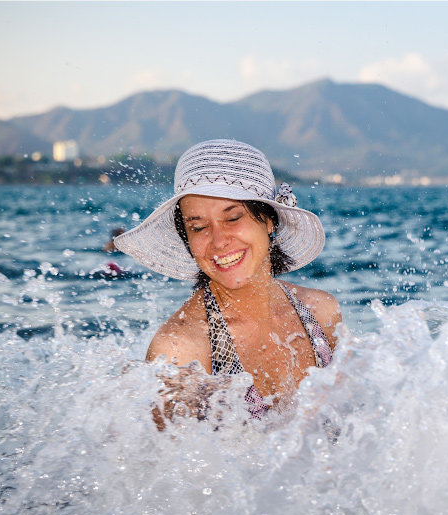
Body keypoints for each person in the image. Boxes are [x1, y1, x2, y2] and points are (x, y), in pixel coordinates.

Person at [114, 139, 341, 425]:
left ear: (269, 220)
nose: (219, 241)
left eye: (233, 218)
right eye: (198, 227)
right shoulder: (181, 350)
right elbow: (170, 467)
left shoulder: (321, 312)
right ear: (187, 238)